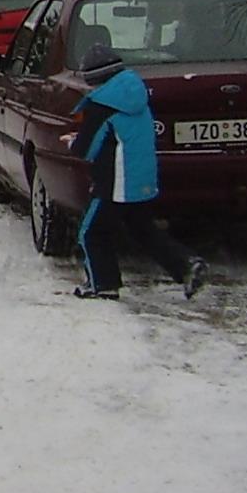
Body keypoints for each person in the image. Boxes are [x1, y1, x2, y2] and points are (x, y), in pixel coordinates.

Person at [68, 44, 208, 301]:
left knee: (92, 232)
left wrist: (71, 142)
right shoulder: (135, 95)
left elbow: (85, 149)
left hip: (115, 181)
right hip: (142, 177)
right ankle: (186, 265)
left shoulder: (102, 106)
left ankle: (103, 284)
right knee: (142, 230)